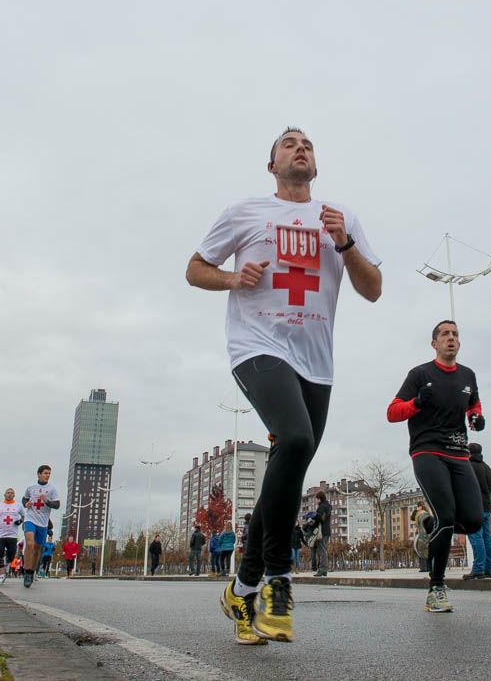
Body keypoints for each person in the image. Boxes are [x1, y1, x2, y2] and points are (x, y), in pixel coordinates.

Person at [187, 126, 381, 645]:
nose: (301, 149)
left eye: (308, 145)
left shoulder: (341, 218)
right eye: (289, 144)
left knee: (289, 469)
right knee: (294, 440)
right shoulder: (244, 212)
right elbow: (195, 268)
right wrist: (232, 279)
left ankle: (240, 590)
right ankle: (277, 580)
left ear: (315, 164)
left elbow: (373, 289)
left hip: (316, 362)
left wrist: (346, 243)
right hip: (257, 346)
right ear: (271, 164)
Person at [387, 320, 485, 612]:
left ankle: (427, 525)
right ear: (434, 344)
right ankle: (436, 588)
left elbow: (474, 405)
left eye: (455, 334)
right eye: (445, 334)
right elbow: (392, 412)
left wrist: (477, 419)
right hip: (427, 451)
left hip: (458, 453)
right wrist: (416, 402)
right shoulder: (420, 374)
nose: (451, 338)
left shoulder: (468, 375)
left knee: (472, 521)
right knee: (447, 516)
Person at [21, 465, 60, 588]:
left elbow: (57, 505)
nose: (47, 475)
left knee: (37, 549)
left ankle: (32, 571)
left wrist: (47, 501)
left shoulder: (52, 489)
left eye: (49, 473)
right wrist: (26, 504)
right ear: (39, 474)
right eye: (45, 473)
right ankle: (26, 572)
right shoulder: (31, 488)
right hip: (30, 519)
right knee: (30, 544)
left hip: (43, 523)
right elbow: (24, 499)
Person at [464, 443, 491, 580]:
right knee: (487, 537)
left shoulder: (466, 466)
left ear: (468, 452)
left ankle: (478, 569)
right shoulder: (487, 468)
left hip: (472, 507)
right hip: (487, 507)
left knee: (476, 537)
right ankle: (489, 569)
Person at [0, 487, 25, 586]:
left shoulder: (18, 506)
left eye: (12, 493)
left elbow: (24, 516)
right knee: (0, 554)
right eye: (8, 493)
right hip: (0, 535)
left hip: (12, 535)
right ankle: (1, 575)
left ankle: (7, 566)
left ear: (14, 495)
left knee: (11, 555)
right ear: (4, 495)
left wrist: (20, 521)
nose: (10, 494)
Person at [314, 491, 332, 577]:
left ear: (319, 498)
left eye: (316, 499)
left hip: (322, 531)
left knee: (322, 551)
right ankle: (324, 570)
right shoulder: (328, 506)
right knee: (324, 550)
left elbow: (321, 519)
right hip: (327, 531)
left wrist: (314, 518)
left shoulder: (322, 507)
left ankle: (322, 569)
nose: (315, 501)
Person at [411, 501, 431, 572]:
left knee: (421, 550)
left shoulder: (421, 513)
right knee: (426, 550)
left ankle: (424, 568)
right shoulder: (427, 512)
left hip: (421, 533)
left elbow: (412, 518)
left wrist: (416, 510)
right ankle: (428, 567)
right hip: (427, 533)